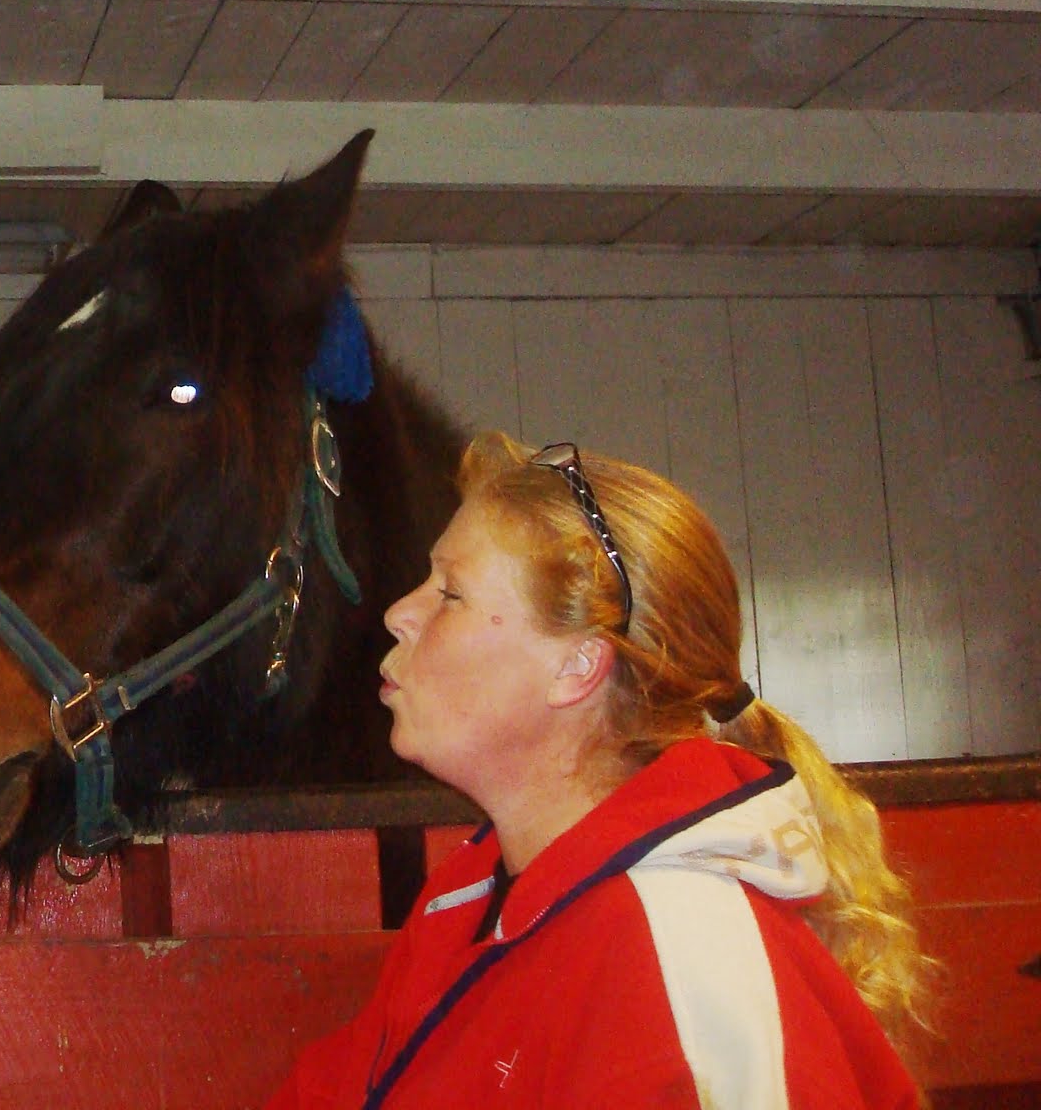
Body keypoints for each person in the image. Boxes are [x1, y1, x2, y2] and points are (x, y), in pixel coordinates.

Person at [267, 433, 934, 1110]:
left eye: (451, 593)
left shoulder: (681, 965)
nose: (398, 614)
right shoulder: (472, 900)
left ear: (577, 667)